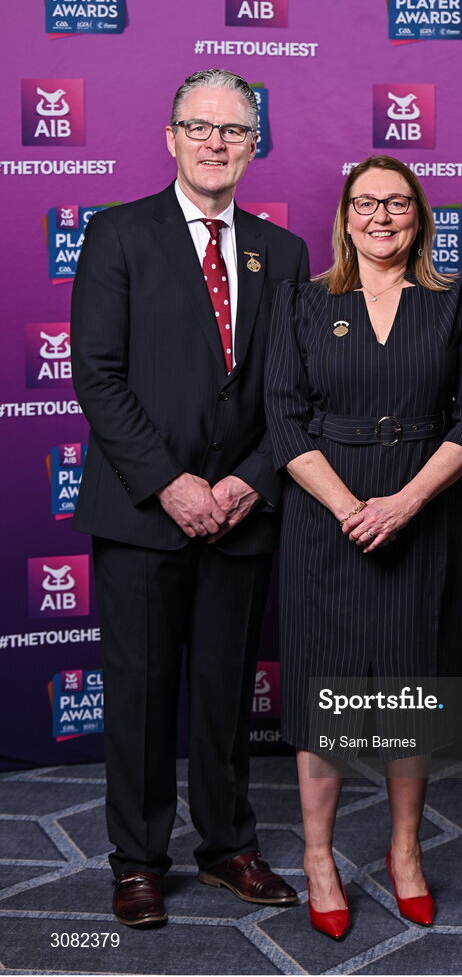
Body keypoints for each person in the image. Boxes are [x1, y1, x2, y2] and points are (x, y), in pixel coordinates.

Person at [71, 68, 310, 927]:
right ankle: (137, 861)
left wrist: (249, 479)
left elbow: (290, 390)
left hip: (242, 511)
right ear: (170, 137)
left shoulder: (282, 253)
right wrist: (170, 483)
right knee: (137, 693)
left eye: (234, 130)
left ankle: (227, 845)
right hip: (143, 512)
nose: (216, 141)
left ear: (254, 145)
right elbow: (95, 376)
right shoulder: (116, 233)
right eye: (199, 126)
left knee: (224, 688)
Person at [265, 155, 462, 938]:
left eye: (398, 203)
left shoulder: (460, 300)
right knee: (323, 698)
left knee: (407, 691)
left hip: (420, 507)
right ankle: (319, 858)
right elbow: (284, 421)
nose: (381, 217)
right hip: (323, 517)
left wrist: (403, 504)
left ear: (420, 214)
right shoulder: (303, 302)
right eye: (365, 204)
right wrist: (346, 506)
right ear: (344, 216)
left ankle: (404, 852)